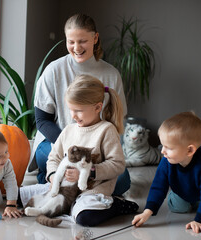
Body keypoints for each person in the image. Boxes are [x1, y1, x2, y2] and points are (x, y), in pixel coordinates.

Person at [29, 13, 130, 196]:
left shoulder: (111, 74)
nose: (76, 48)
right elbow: (42, 121)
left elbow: (116, 119)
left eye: (82, 41)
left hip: (94, 148)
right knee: (60, 165)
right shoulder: (53, 71)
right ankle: (53, 176)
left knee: (122, 181)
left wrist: (95, 158)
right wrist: (72, 148)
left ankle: (69, 185)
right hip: (55, 142)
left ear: (95, 38)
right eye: (71, 42)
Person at [44, 75, 138, 226]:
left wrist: (87, 172)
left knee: (84, 217)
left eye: (78, 110)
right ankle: (69, 206)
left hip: (91, 192)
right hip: (66, 189)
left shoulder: (106, 130)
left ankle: (116, 205)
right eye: (70, 110)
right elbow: (53, 158)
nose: (73, 115)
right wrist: (54, 176)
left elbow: (118, 164)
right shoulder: (69, 130)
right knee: (23, 195)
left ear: (97, 107)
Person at [132, 111, 201, 233]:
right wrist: (147, 212)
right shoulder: (167, 161)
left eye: (168, 147)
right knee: (177, 207)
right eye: (162, 145)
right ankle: (193, 202)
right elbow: (158, 186)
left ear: (189, 150)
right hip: (182, 187)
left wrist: (200, 220)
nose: (163, 151)